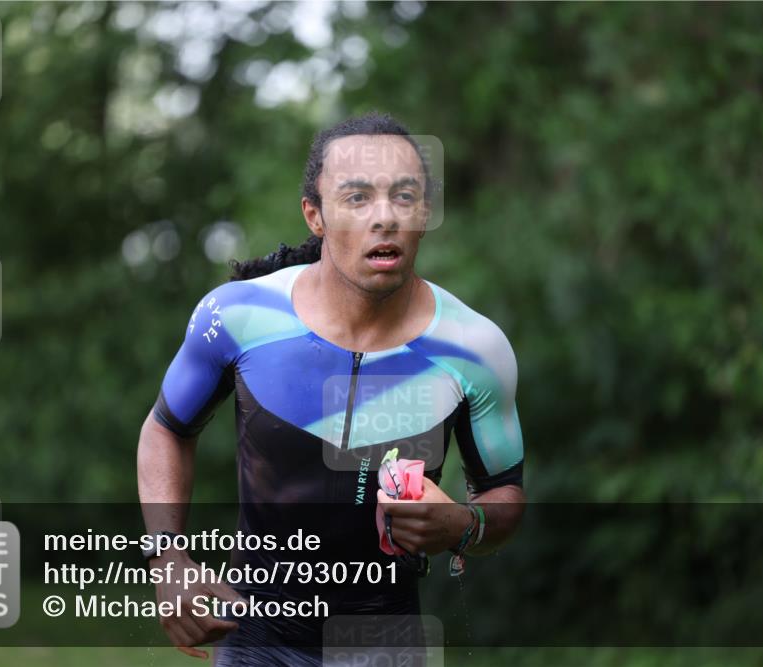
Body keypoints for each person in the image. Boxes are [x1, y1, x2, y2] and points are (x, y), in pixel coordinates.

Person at [137, 112, 526, 666]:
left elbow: (506, 498)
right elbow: (166, 429)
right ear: (314, 215)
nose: (385, 218)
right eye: (358, 198)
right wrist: (168, 559)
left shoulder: (474, 349)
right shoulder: (238, 315)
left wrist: (463, 527)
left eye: (404, 197)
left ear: (426, 213)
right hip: (256, 641)